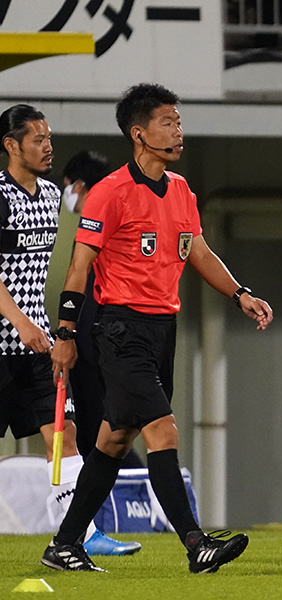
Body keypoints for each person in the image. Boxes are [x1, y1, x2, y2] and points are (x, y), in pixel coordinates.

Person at [41, 83, 273, 573]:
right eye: (168, 122)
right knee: (162, 431)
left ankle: (64, 544)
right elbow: (79, 269)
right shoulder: (108, 194)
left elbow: (201, 254)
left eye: (179, 121)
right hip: (120, 330)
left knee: (113, 441)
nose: (178, 130)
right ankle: (196, 544)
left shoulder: (182, 190)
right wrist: (65, 334)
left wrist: (241, 295)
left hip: (162, 328)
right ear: (139, 133)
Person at [0, 104, 139, 557]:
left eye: (49, 137)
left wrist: (49, 326)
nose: (48, 146)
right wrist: (18, 320)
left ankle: (78, 533)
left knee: (63, 432)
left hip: (37, 343)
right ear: (10, 145)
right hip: (8, 338)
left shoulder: (49, 196)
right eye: (37, 139)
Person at [63, 151, 144, 469]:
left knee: (101, 431)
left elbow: (86, 286)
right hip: (114, 338)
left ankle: (141, 497)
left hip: (97, 342)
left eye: (66, 187)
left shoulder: (98, 224)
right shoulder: (124, 214)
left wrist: (69, 337)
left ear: (80, 186)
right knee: (96, 432)